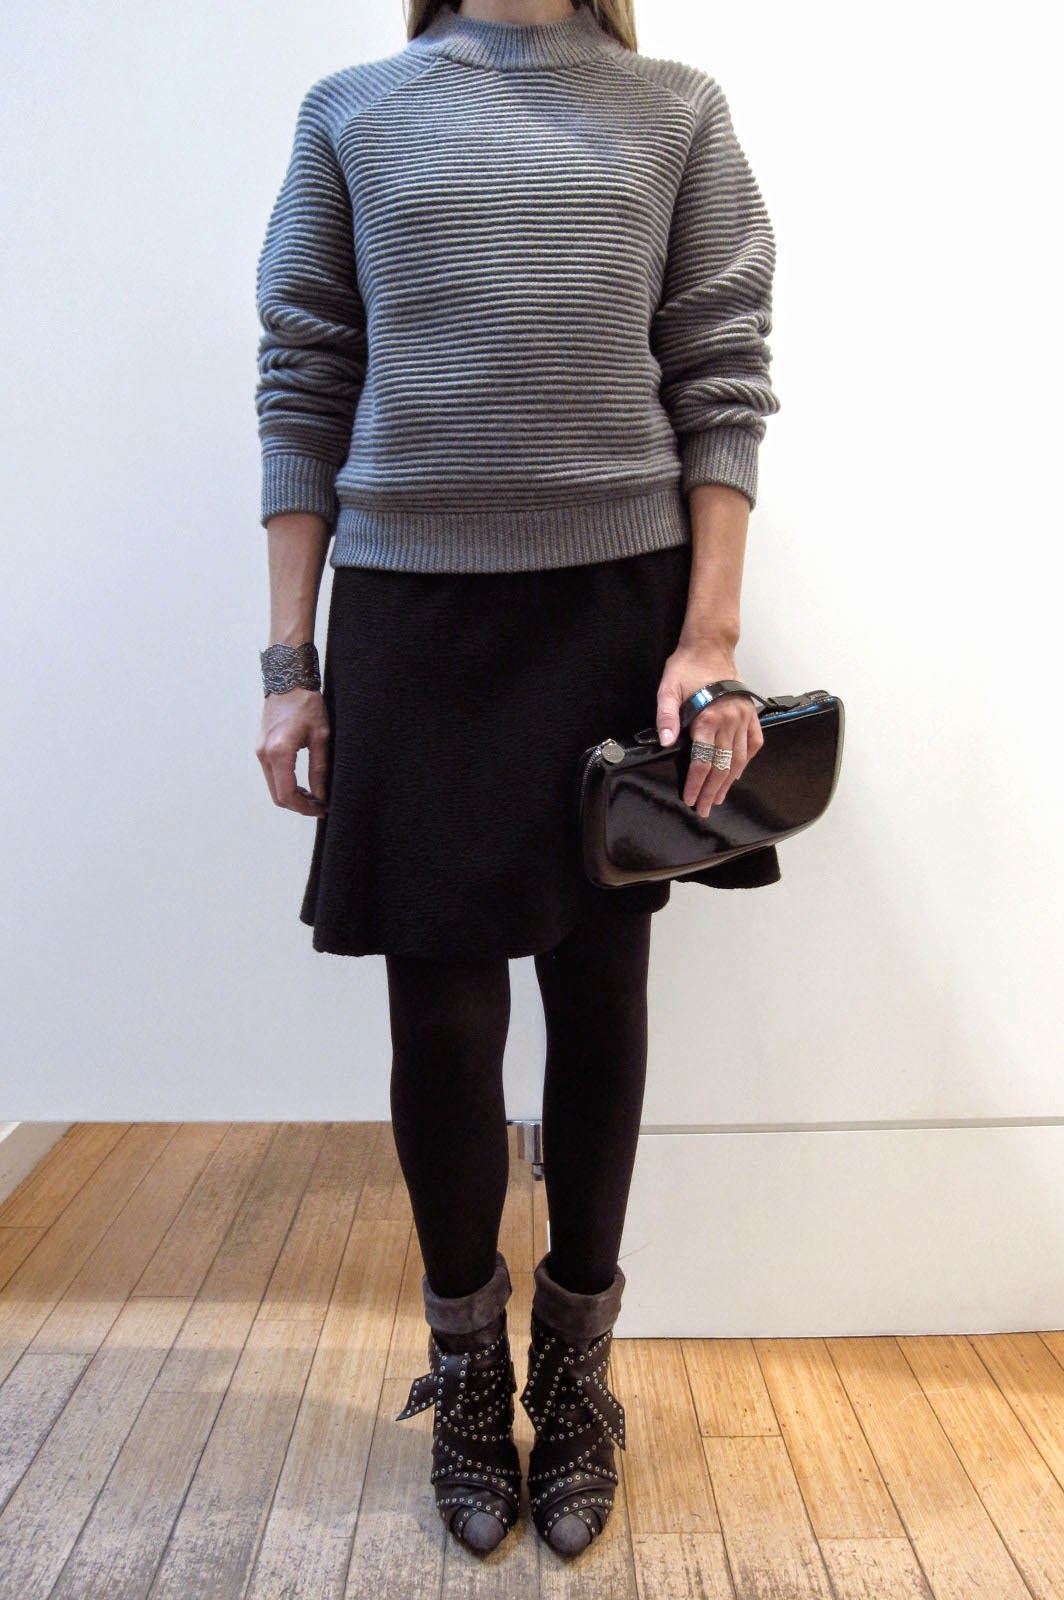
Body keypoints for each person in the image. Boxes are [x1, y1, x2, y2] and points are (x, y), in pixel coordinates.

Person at [253, 0, 781, 1561]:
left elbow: (721, 376)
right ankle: (470, 1370)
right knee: (442, 1014)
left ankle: (577, 1370)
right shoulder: (352, 111)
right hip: (413, 615)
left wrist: (710, 641)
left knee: (600, 993)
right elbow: (304, 378)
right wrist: (288, 661)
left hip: (616, 612)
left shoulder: (676, 109)